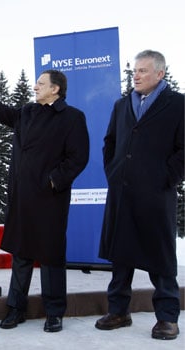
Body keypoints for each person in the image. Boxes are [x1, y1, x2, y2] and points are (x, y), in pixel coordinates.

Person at [0, 70, 89, 332]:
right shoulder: (27, 112)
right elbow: (3, 111)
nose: (35, 87)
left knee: (51, 257)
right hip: (23, 195)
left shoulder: (72, 117)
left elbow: (78, 157)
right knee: (22, 254)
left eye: (41, 84)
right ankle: (16, 308)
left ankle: (54, 312)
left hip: (51, 198)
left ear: (56, 89)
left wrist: (53, 181)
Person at [95, 50, 184, 340]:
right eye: (135, 70)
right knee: (121, 255)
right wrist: (114, 172)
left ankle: (168, 317)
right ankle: (118, 311)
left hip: (156, 194)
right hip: (122, 191)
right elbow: (109, 143)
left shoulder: (178, 104)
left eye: (144, 71)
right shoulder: (122, 105)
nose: (136, 75)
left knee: (160, 256)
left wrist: (166, 177)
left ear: (160, 74)